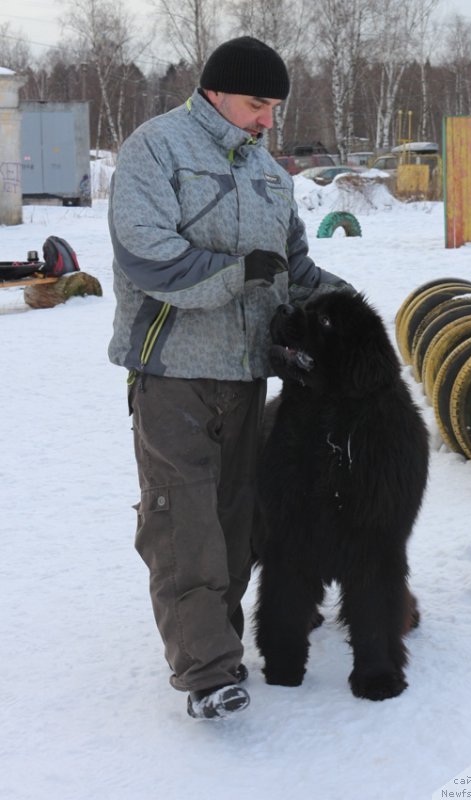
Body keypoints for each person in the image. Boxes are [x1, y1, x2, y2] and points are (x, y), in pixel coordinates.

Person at [108, 36, 351, 720]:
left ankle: (218, 646)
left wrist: (345, 307)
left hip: (245, 375)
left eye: (275, 108)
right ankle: (208, 672)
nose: (267, 121)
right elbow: (148, 255)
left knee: (236, 522)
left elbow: (293, 270)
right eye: (256, 105)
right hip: (173, 373)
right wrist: (234, 273)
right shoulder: (156, 149)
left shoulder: (270, 175)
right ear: (214, 92)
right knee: (183, 521)